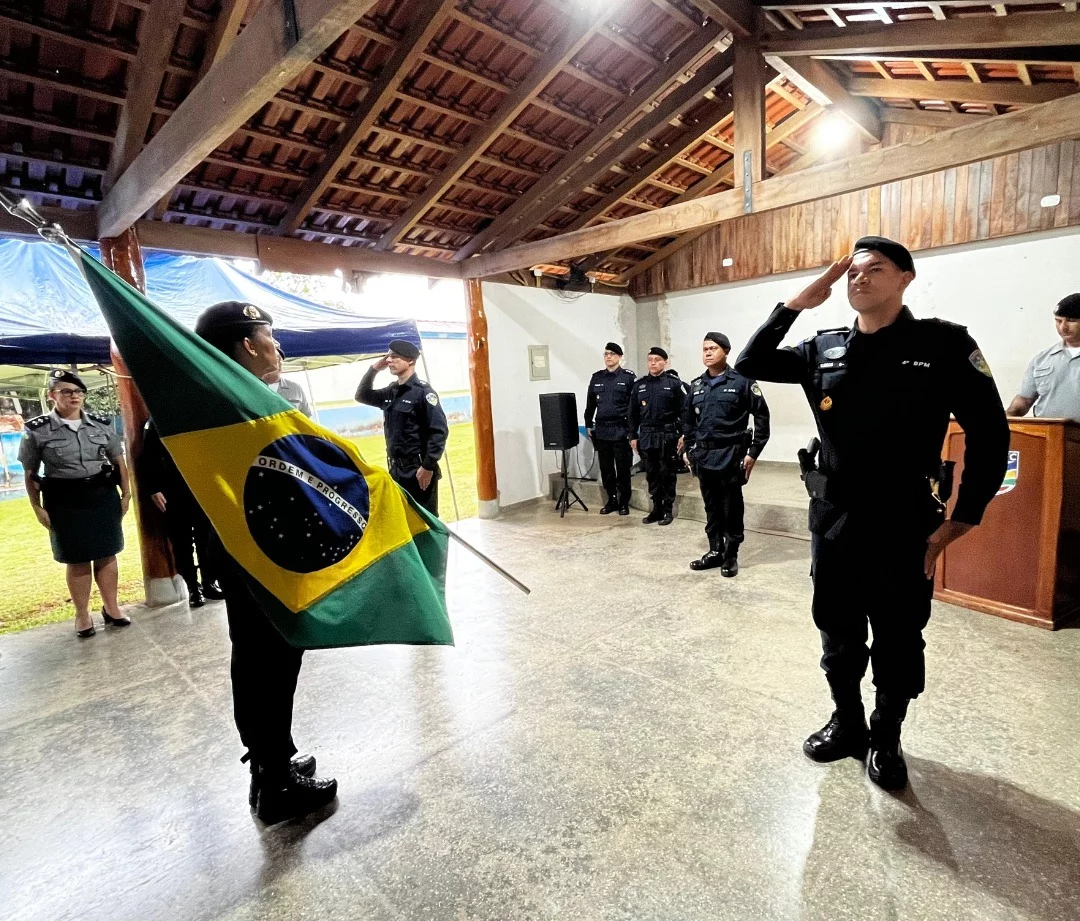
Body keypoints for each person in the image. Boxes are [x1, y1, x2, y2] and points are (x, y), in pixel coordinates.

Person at [735, 236, 1010, 791]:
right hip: (834, 519)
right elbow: (751, 362)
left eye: (874, 269)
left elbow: (990, 431)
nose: (858, 278)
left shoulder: (944, 344)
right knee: (836, 631)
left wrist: (966, 515)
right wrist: (798, 302)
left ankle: (887, 735)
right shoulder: (823, 347)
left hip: (905, 519)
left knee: (898, 637)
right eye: (851, 272)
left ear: (906, 278)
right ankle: (848, 721)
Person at [194, 301, 337, 824]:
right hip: (252, 551)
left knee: (274, 657)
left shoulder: (239, 397)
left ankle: (274, 760)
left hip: (265, 548)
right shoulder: (221, 403)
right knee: (264, 661)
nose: (278, 347)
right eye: (270, 337)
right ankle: (274, 782)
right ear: (249, 345)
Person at [18, 370, 132, 638]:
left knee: (107, 553)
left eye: (78, 392)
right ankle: (82, 615)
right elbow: (30, 473)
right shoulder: (37, 430)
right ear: (52, 396)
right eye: (66, 392)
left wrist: (126, 495)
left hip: (101, 496)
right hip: (64, 501)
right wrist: (37, 507)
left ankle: (112, 608)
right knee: (76, 559)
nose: (74, 397)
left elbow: (119, 463)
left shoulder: (101, 425)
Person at [679, 333, 770, 576]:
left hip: (732, 456)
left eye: (713, 348)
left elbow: (762, 416)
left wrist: (753, 452)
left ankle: (730, 555)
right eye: (705, 349)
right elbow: (687, 422)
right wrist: (689, 449)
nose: (708, 353)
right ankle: (714, 551)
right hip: (704, 458)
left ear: (726, 352)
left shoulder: (742, 381)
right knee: (711, 507)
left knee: (731, 507)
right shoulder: (696, 385)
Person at [355, 339, 447, 517]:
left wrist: (428, 466)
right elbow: (362, 395)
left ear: (410, 360)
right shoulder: (392, 391)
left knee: (425, 521)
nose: (389, 360)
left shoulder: (424, 393)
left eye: (394, 356)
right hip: (396, 470)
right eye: (388, 356)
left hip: (419, 470)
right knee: (404, 520)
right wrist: (374, 369)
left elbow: (439, 431)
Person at [140, 419, 224, 608]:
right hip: (172, 491)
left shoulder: (194, 415)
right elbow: (148, 457)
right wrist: (154, 488)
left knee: (207, 540)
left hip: (201, 487)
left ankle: (209, 583)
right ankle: (193, 588)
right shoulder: (155, 422)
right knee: (182, 542)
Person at [629, 347, 687, 526]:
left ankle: (668, 510)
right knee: (652, 474)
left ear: (665, 362)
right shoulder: (639, 385)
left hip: (667, 435)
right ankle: (656, 509)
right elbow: (632, 413)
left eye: (657, 359)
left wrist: (684, 435)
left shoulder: (674, 384)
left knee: (667, 473)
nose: (653, 363)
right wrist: (632, 435)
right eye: (650, 360)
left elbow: (685, 411)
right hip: (647, 435)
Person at [1006, 293, 1080, 423]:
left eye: (1071, 321)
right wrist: (1001, 419)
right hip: (1048, 437)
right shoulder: (1042, 359)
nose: (1063, 327)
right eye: (1058, 321)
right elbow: (1024, 401)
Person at [584, 342, 636, 515]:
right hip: (603, 430)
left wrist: (633, 430)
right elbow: (590, 404)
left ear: (620, 357)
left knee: (622, 470)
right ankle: (612, 499)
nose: (608, 357)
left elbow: (633, 406)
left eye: (612, 354)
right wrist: (588, 424)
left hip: (621, 430)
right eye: (606, 354)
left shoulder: (628, 377)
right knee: (606, 470)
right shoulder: (597, 377)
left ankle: (623, 502)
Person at [264, 347, 314, 417]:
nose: (279, 363)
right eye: (275, 359)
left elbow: (306, 417)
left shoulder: (295, 388)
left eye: (280, 360)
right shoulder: (253, 386)